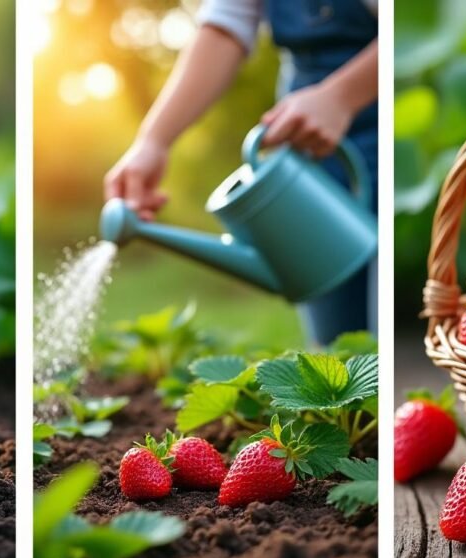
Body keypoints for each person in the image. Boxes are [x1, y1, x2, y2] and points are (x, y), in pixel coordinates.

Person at [104, 0, 377, 346]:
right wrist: (153, 140)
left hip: (380, 111)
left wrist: (340, 97)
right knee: (335, 334)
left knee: (383, 320)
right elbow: (225, 26)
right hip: (304, 136)